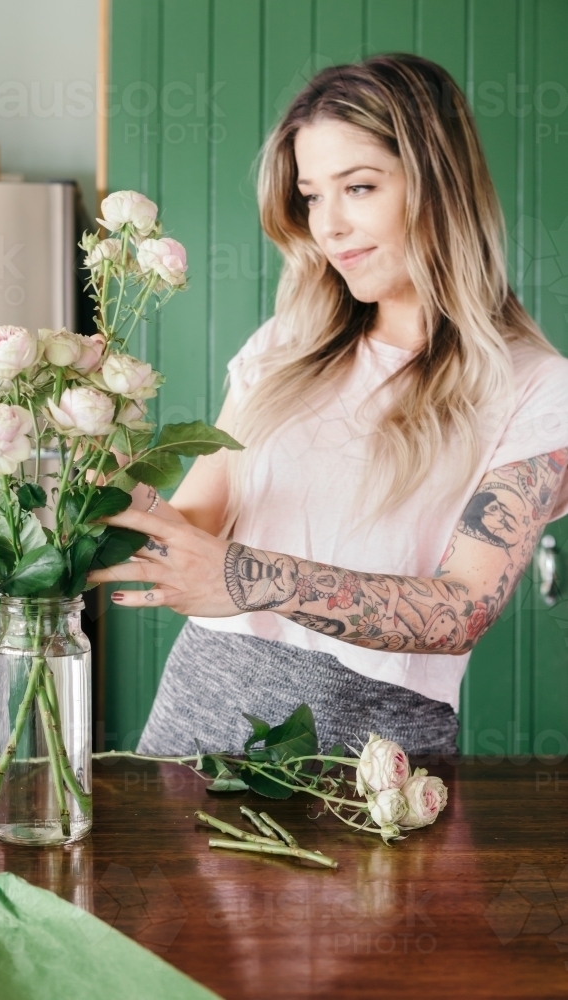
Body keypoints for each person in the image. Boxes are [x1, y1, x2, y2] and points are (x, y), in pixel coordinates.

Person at [87, 54, 568, 758]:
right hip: (194, 716)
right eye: (311, 196)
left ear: (440, 186)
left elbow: (464, 608)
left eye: (359, 187)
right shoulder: (283, 345)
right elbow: (194, 525)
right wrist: (94, 495)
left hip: (369, 756)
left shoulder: (536, 387)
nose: (329, 225)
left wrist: (247, 578)